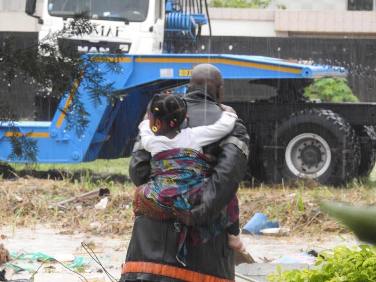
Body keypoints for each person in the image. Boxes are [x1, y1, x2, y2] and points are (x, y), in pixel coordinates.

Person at [120, 64, 250, 282]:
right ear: (220, 90)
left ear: (189, 86)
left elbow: (138, 171)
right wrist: (197, 213)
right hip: (204, 241)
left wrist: (166, 193)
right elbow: (227, 179)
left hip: (150, 236)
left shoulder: (156, 122)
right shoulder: (231, 125)